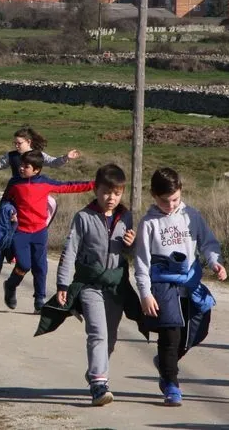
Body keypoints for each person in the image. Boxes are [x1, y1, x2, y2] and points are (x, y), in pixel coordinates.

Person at [134, 167, 227, 407]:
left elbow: (208, 243)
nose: (171, 205)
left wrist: (215, 261)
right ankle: (171, 384)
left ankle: (166, 362)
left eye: (175, 199)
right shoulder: (149, 224)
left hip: (190, 281)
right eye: (165, 201)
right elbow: (142, 262)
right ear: (154, 196)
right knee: (170, 334)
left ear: (181, 192)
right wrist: (145, 293)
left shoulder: (192, 216)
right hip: (163, 285)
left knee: (196, 330)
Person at [52, 164, 138, 406]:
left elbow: (130, 253)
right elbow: (70, 251)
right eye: (106, 192)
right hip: (90, 285)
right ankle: (100, 385)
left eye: (117, 193)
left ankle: (95, 372)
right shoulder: (84, 217)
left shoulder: (127, 217)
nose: (111, 198)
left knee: (109, 337)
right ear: (96, 190)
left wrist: (132, 244)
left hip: (116, 286)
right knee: (97, 333)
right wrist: (63, 284)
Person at [3, 151, 95, 314]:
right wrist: (10, 211)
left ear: (37, 170)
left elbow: (69, 186)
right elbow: (5, 202)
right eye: (21, 165)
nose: (21, 168)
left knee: (41, 267)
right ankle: (11, 285)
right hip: (20, 231)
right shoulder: (14, 183)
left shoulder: (45, 183)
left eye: (26, 166)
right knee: (24, 264)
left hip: (39, 232)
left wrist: (93, 184)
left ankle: (39, 299)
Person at [0, 127, 81, 177]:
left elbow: (53, 163)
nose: (16, 145)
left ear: (28, 142)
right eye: (14, 143)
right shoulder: (11, 155)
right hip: (15, 189)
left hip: (34, 190)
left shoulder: (38, 155)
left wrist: (66, 157)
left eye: (19, 143)